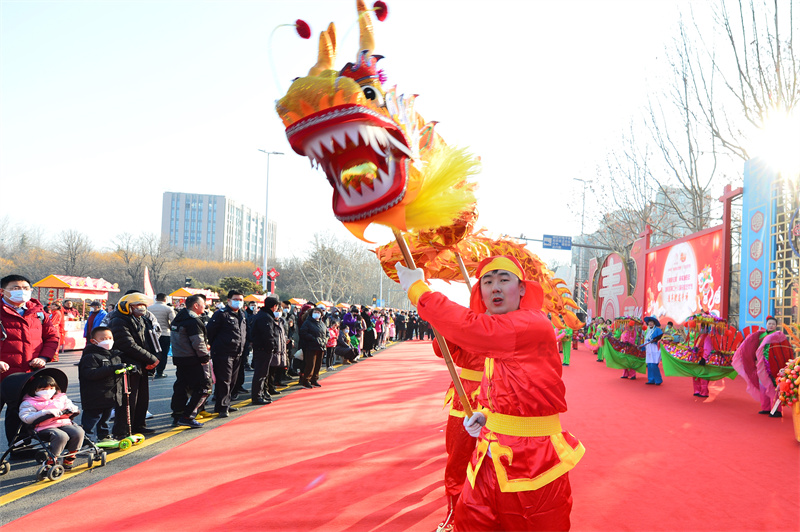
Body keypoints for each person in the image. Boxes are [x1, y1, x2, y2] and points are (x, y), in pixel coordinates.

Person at [396, 255, 584, 531]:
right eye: (488, 281)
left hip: (533, 461)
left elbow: (472, 329)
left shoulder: (531, 323)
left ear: (521, 289)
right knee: (469, 521)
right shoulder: (501, 330)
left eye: (503, 279)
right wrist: (487, 416)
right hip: (488, 455)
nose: (495, 287)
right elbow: (507, 386)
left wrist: (420, 291)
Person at [0, 274, 60, 444]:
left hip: (25, 375)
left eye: (25, 288)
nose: (22, 292)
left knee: (20, 413)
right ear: (2, 291)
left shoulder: (38, 312)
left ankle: (20, 449)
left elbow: (52, 337)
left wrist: (43, 357)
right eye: (15, 288)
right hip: (2, 372)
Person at [432, 338, 483, 532]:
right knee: (458, 455)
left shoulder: (515, 319)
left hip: (503, 393)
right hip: (467, 394)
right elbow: (440, 349)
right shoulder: (465, 318)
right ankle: (455, 514)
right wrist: (443, 321)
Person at [109, 293, 160, 436]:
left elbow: (153, 339)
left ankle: (139, 425)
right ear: (126, 306)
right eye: (137, 305)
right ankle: (123, 430)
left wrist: (156, 358)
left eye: (143, 305)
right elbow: (127, 344)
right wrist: (150, 358)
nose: (142, 308)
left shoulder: (144, 319)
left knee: (142, 398)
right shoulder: (118, 320)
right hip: (128, 364)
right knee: (128, 400)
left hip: (143, 364)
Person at [19, 373, 85, 470]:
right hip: (43, 427)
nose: (48, 392)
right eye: (43, 389)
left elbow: (70, 406)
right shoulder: (29, 402)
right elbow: (26, 418)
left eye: (51, 388)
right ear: (34, 390)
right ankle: (52, 459)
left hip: (63, 423)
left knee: (78, 432)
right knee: (61, 436)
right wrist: (43, 412)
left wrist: (73, 409)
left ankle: (71, 456)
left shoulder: (61, 398)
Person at [732, 315, 790, 417]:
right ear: (766, 324)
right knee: (763, 386)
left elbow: (784, 351)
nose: (771, 325)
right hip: (761, 365)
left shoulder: (778, 335)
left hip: (774, 366)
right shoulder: (761, 336)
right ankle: (766, 407)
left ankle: (777, 410)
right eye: (769, 324)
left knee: (774, 387)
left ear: (776, 325)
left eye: (773, 324)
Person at [169, 294, 212, 428]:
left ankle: (178, 414)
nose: (205, 306)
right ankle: (187, 416)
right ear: (196, 305)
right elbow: (198, 342)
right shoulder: (193, 321)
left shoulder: (179, 317)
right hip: (193, 359)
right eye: (203, 304)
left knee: (181, 387)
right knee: (204, 387)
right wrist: (205, 358)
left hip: (180, 358)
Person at [78, 326, 124, 442]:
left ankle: (104, 436)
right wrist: (111, 369)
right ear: (94, 341)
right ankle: (85, 441)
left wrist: (129, 369)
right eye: (103, 338)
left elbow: (116, 372)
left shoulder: (114, 355)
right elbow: (90, 374)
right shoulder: (90, 356)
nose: (107, 340)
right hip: (95, 396)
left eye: (110, 338)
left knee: (105, 418)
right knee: (92, 419)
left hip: (110, 395)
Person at [206, 290, 248, 417]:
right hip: (223, 352)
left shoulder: (242, 314)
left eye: (241, 300)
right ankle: (222, 407)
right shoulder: (221, 314)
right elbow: (210, 332)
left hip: (237, 352)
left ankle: (225, 403)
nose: (238, 302)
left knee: (232, 381)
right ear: (228, 300)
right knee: (224, 380)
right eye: (236, 299)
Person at [251, 297, 285, 404]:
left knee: (262, 374)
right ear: (274, 306)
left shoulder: (262, 315)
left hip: (261, 348)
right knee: (260, 374)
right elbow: (268, 335)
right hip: (263, 350)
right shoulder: (265, 317)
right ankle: (257, 397)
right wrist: (272, 347)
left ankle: (260, 394)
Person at [148, 293, 176, 379]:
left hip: (151, 334)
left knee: (151, 352)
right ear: (165, 299)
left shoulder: (149, 308)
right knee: (163, 354)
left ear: (156, 299)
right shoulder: (168, 309)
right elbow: (173, 321)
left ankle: (150, 370)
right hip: (164, 333)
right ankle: (160, 372)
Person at [298, 306, 327, 388]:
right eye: (315, 312)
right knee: (310, 364)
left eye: (318, 313)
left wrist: (325, 340)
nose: (316, 314)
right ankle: (306, 380)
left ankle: (314, 379)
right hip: (311, 346)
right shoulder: (307, 322)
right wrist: (313, 338)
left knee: (318, 364)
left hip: (321, 346)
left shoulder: (322, 323)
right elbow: (303, 332)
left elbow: (326, 333)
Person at [642, 317, 664, 385]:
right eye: (649, 322)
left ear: (654, 323)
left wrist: (655, 340)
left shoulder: (658, 330)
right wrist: (643, 346)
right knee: (649, 365)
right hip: (649, 349)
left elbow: (661, 338)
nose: (650, 323)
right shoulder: (647, 331)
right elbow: (646, 340)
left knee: (654, 364)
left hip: (655, 349)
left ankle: (658, 380)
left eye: (652, 322)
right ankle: (651, 379)